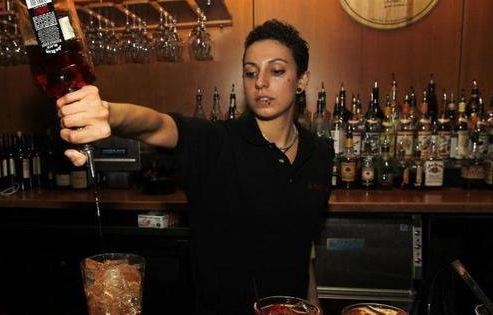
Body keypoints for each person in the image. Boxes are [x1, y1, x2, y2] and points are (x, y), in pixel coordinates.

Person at [57, 19, 333, 315]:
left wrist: (313, 303)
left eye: (276, 71)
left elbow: (303, 245)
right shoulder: (216, 143)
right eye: (250, 72)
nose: (260, 82)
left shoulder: (319, 154)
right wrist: (110, 114)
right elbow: (157, 125)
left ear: (302, 79)